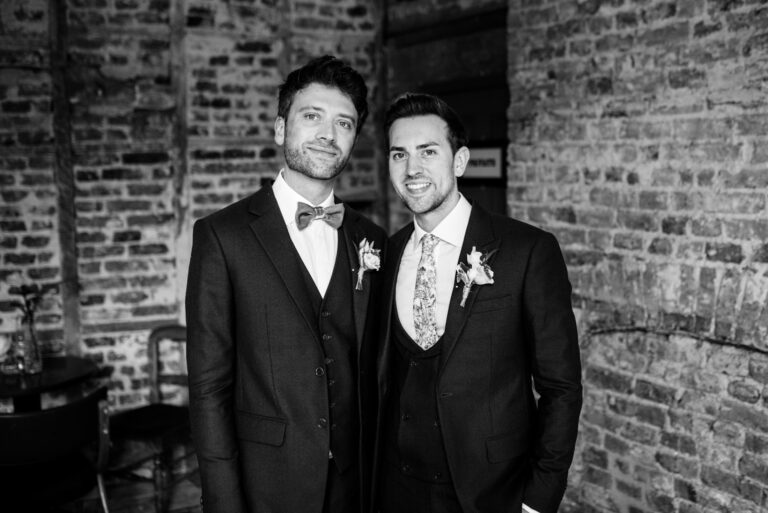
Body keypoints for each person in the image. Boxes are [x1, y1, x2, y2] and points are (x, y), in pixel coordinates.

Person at [186, 55, 387, 513]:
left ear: (354, 138)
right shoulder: (222, 236)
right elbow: (209, 387)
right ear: (281, 129)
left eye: (344, 123)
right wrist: (223, 501)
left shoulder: (371, 238)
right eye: (311, 116)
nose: (327, 134)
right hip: (267, 484)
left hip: (356, 485)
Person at [375, 93, 582, 513]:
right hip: (395, 490)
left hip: (490, 492)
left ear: (460, 160)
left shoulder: (527, 250)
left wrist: (538, 500)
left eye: (428, 152)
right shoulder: (385, 254)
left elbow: (561, 388)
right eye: (400, 154)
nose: (412, 169)